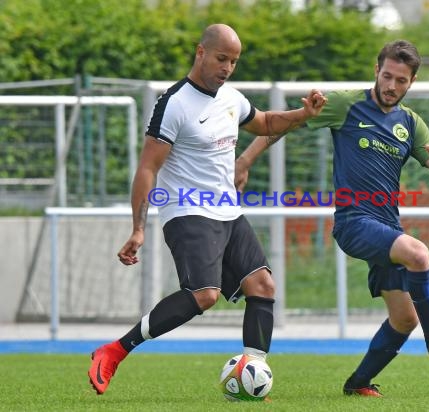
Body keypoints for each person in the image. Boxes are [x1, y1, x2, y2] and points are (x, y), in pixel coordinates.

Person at [88, 23, 326, 395]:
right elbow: (147, 167)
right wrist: (138, 228)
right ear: (200, 52)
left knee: (262, 285)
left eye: (233, 61)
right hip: (186, 210)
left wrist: (303, 114)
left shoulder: (232, 98)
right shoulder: (174, 104)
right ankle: (115, 351)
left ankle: (252, 372)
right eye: (221, 59)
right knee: (205, 295)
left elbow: (263, 123)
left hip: (226, 209)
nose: (227, 68)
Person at [236, 40, 429, 398]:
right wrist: (245, 161)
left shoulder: (410, 123)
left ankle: (358, 383)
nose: (392, 86)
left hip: (387, 228)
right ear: (377, 71)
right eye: (387, 76)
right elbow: (284, 124)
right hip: (353, 222)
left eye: (401, 81)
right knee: (419, 254)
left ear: (412, 82)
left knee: (404, 319)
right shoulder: (347, 103)